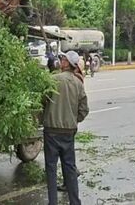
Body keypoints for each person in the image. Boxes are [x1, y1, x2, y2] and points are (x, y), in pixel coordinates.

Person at [42, 51, 89, 205]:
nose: (60, 61)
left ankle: (53, 203)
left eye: (62, 59)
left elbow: (41, 102)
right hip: (68, 132)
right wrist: (73, 120)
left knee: (51, 169)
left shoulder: (52, 80)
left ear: (67, 63)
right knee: (69, 168)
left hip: (51, 131)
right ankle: (75, 202)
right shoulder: (78, 83)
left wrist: (42, 118)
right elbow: (84, 110)